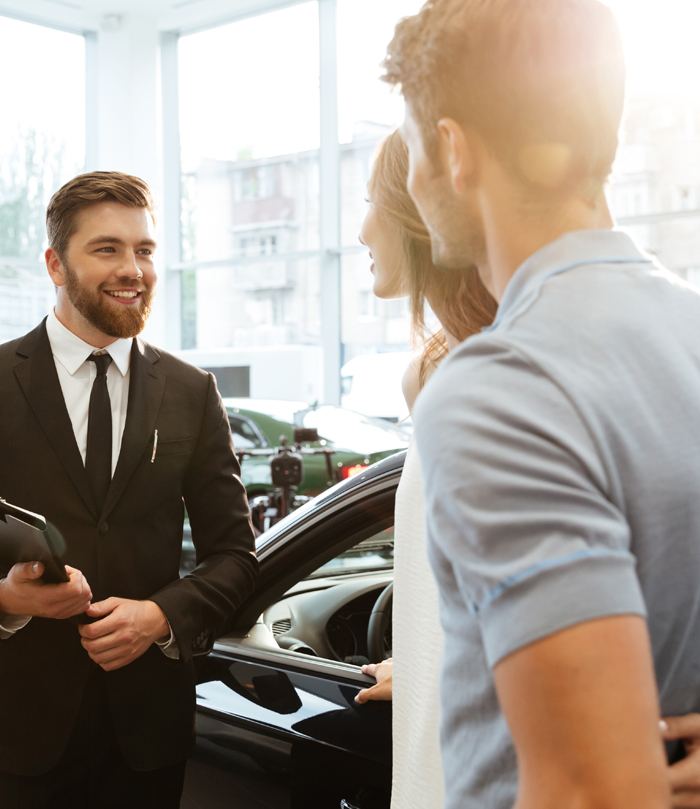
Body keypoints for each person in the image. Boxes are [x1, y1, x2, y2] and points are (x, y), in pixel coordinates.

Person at [381, 1, 700, 807]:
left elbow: (594, 791)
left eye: (415, 149)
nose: (414, 181)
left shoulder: (498, 390)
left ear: (452, 150)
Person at [0, 171, 258, 808]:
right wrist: (7, 600)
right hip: (17, 731)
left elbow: (235, 556)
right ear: (56, 264)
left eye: (144, 250)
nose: (133, 269)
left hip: (147, 738)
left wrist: (161, 615)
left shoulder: (193, 392)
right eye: (107, 249)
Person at [354, 129, 497, 809]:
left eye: (371, 202)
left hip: (502, 752)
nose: (360, 231)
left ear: (419, 211)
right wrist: (418, 657)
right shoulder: (432, 372)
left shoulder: (500, 367)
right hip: (438, 727)